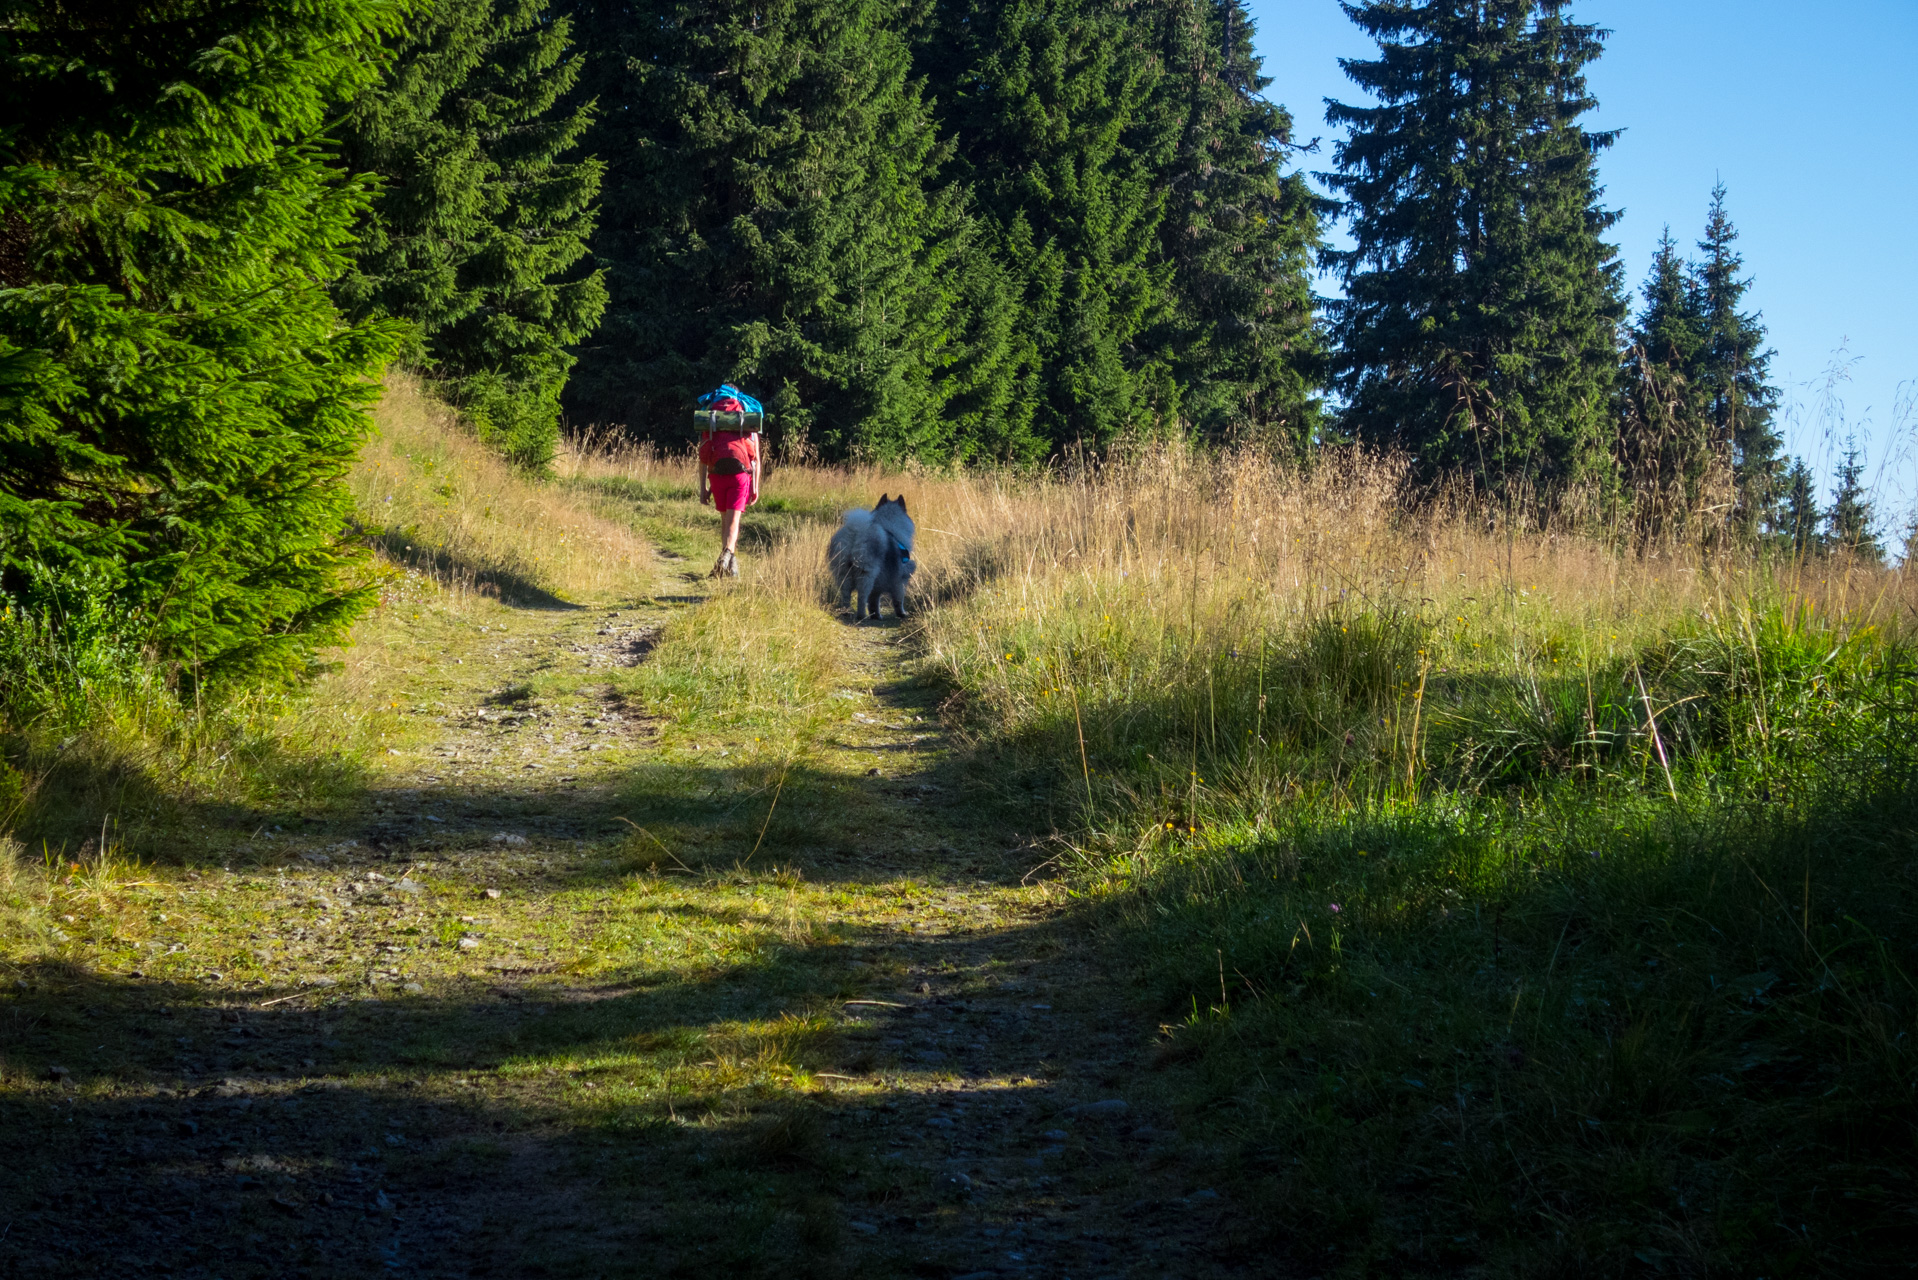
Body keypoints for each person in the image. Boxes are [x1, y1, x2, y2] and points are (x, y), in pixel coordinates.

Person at [696, 395, 760, 577]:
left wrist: (703, 487)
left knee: (725, 522)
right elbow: (756, 459)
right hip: (739, 475)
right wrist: (755, 486)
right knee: (734, 522)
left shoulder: (712, 420)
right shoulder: (746, 419)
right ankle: (725, 557)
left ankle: (728, 567)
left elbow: (703, 457)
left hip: (716, 474)